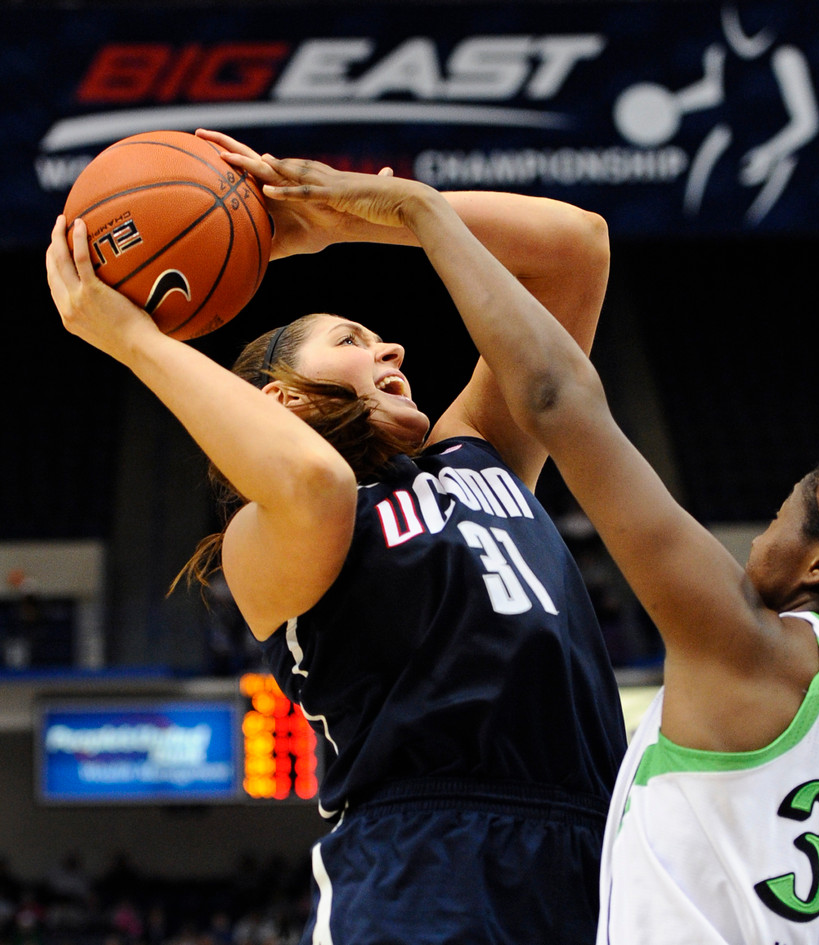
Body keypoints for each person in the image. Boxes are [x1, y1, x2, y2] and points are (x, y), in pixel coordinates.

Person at [190, 72, 819, 944]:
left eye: (783, 512)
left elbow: (563, 341)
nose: (389, 344)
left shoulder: (738, 637)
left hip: (575, 844)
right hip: (430, 845)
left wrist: (408, 210)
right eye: (350, 339)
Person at [46, 157, 628, 941]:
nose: (393, 349)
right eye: (354, 340)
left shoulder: (476, 451)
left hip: (597, 846)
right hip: (427, 865)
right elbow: (313, 476)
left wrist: (358, 219)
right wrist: (131, 340)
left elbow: (576, 249)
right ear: (281, 399)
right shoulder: (267, 534)